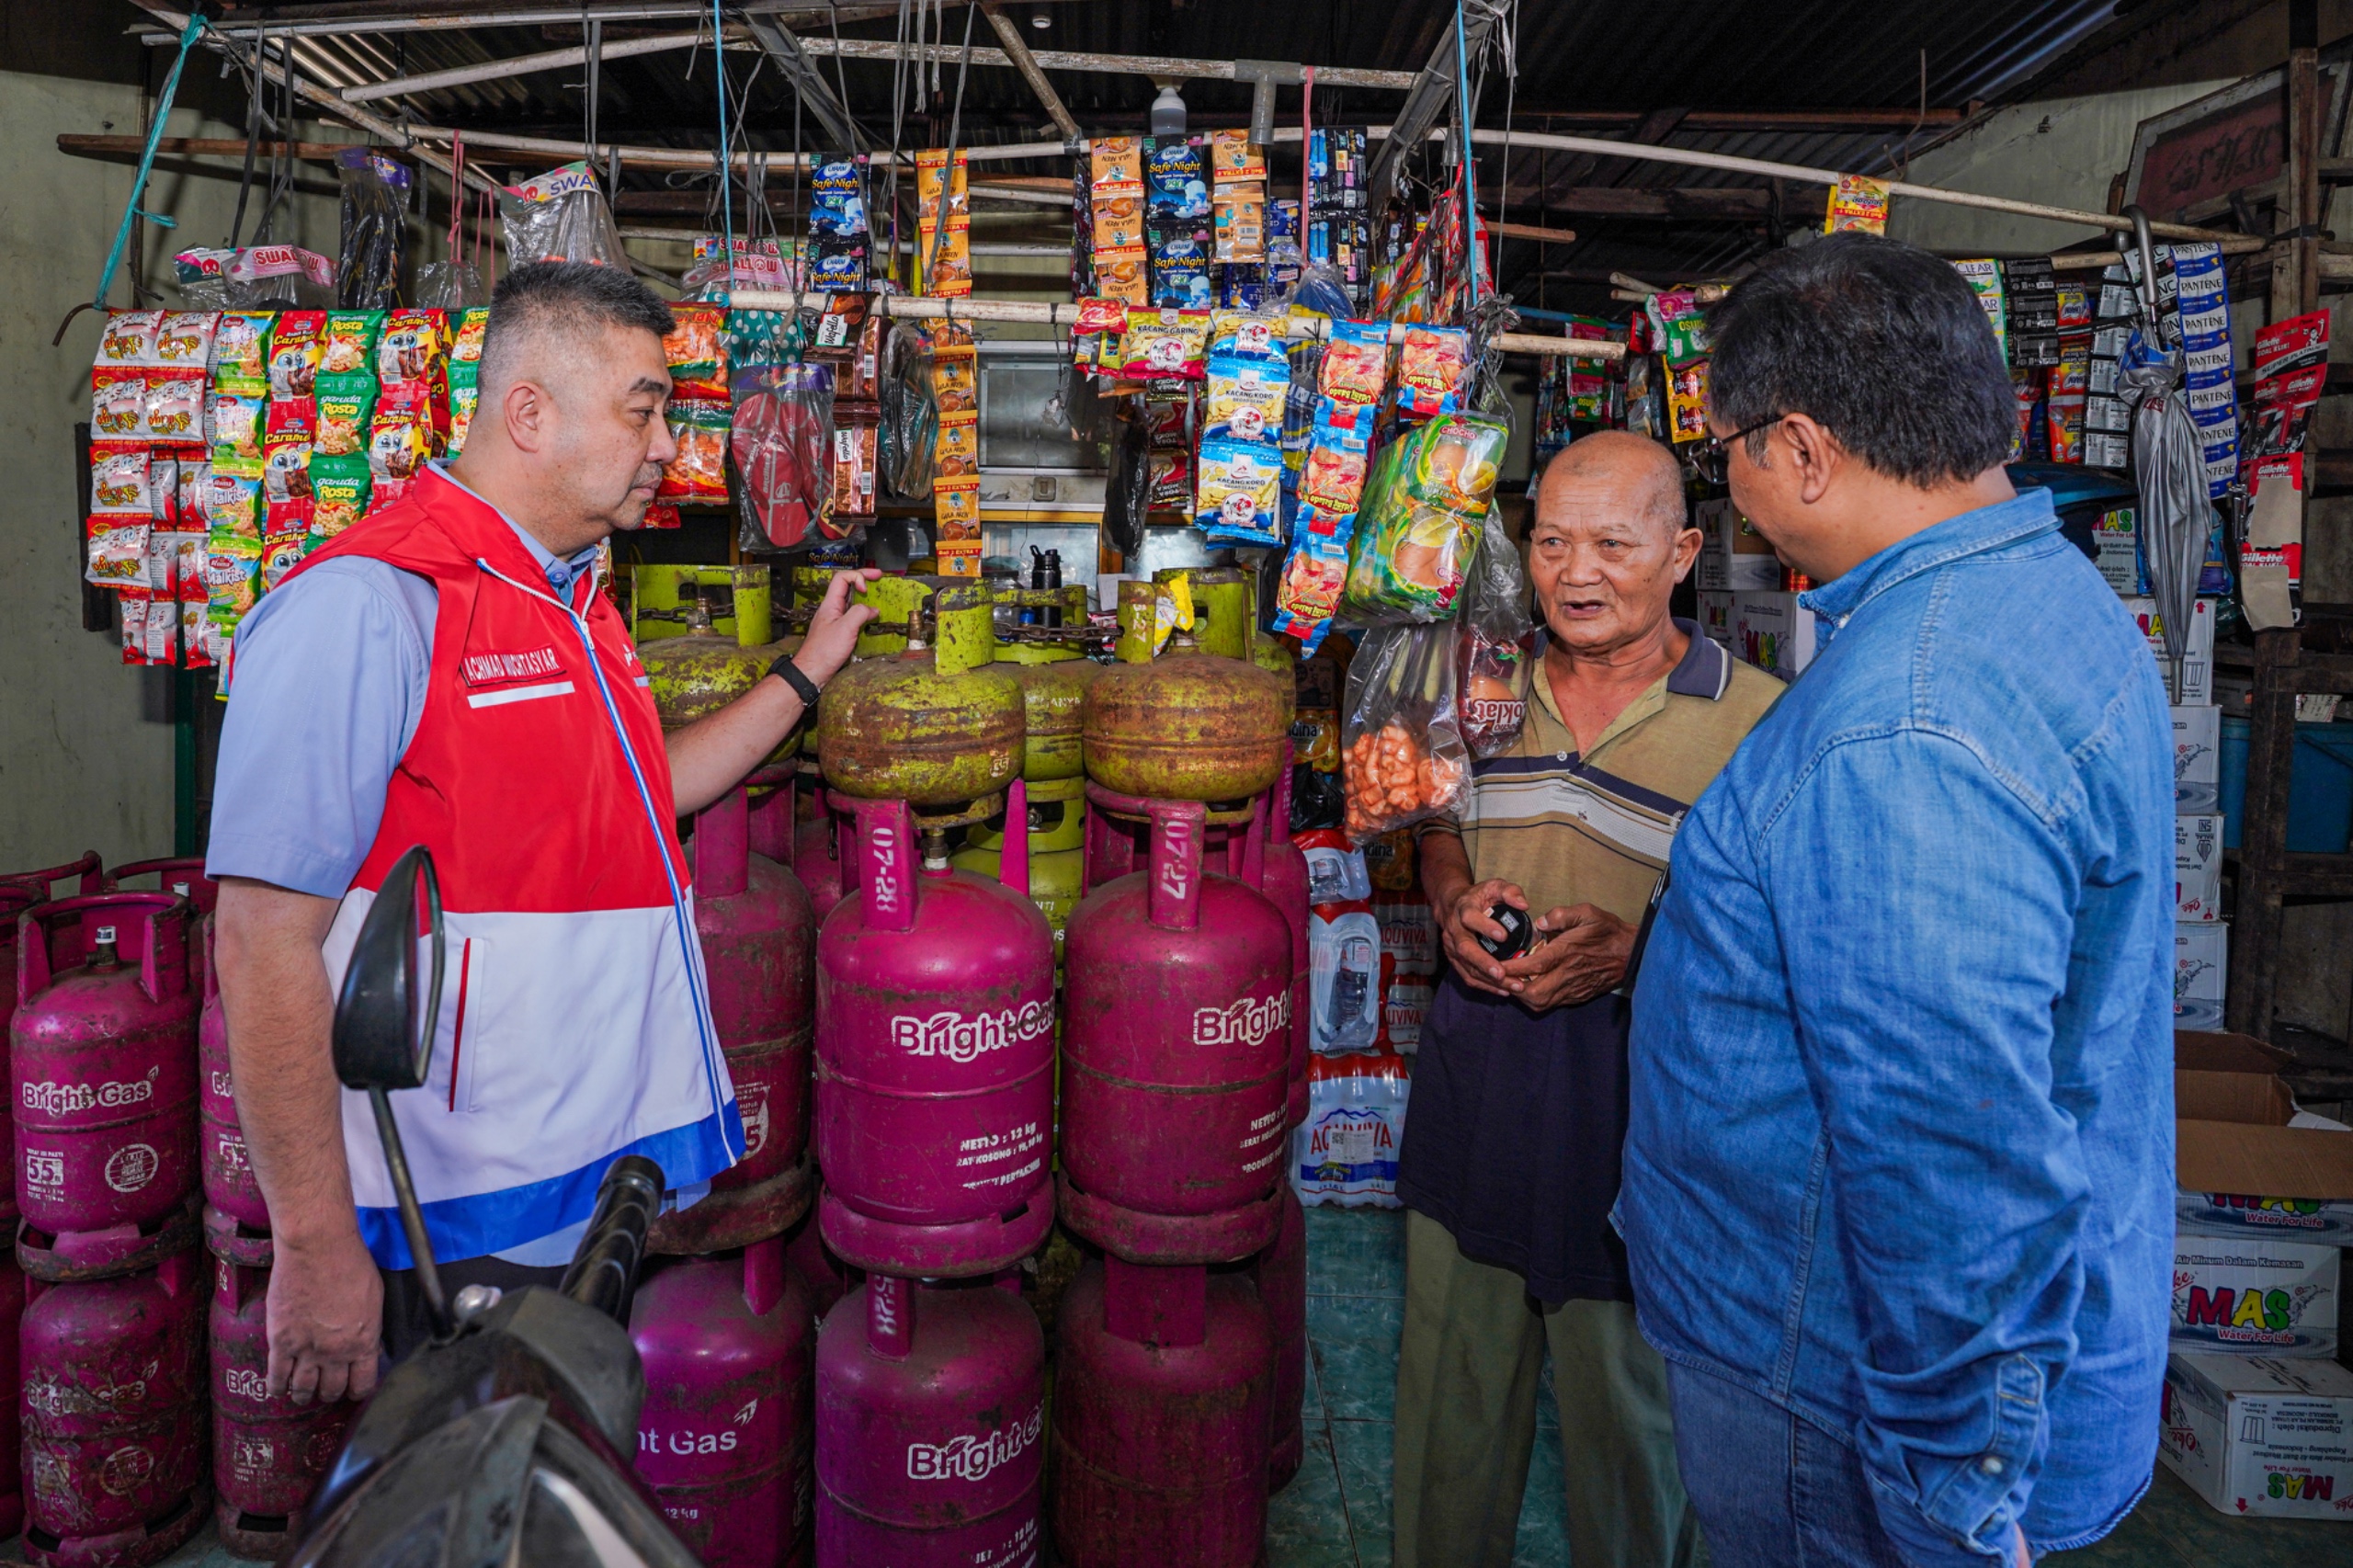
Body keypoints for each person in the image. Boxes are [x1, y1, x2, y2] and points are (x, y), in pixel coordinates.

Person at [208, 261, 878, 1403]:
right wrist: (314, 1244)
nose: (668, 442)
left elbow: (643, 793)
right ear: (530, 412)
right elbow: (259, 940)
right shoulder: (367, 606)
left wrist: (804, 675)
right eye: (644, 406)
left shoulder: (567, 605)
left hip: (572, 1186)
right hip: (443, 1219)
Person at [1619, 233, 2173, 1567]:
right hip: (1897, 1369)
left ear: (1801, 450)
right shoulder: (2047, 598)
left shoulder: (1906, 725)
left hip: (1847, 1407)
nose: (1733, 488)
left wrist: (1951, 1499)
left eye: (1729, 451)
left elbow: (1948, 1160)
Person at [1392, 431, 1782, 1568]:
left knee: (1631, 1433)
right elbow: (1434, 835)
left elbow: (1776, 938)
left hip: (1642, 1117)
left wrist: (1635, 951)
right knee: (1447, 1415)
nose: (1577, 571)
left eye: (1614, 542)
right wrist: (1456, 894)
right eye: (1552, 540)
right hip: (1475, 1079)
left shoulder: (1757, 721)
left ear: (1681, 551)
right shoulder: (1481, 684)